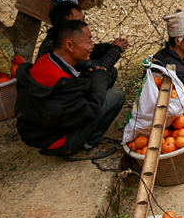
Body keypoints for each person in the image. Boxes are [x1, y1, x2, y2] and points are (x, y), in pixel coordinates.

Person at [15, 19, 125, 157]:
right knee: (115, 95)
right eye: (89, 41)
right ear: (69, 45)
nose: (92, 46)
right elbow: (90, 109)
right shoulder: (62, 81)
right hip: (57, 141)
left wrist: (100, 73)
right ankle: (86, 144)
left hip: (35, 130)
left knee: (107, 74)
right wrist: (100, 76)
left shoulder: (47, 60)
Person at [37, 2, 128, 79]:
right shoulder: (59, 47)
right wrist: (116, 49)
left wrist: (109, 47)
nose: (84, 25)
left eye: (83, 20)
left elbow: (91, 50)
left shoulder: (58, 37)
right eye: (78, 23)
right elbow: (100, 68)